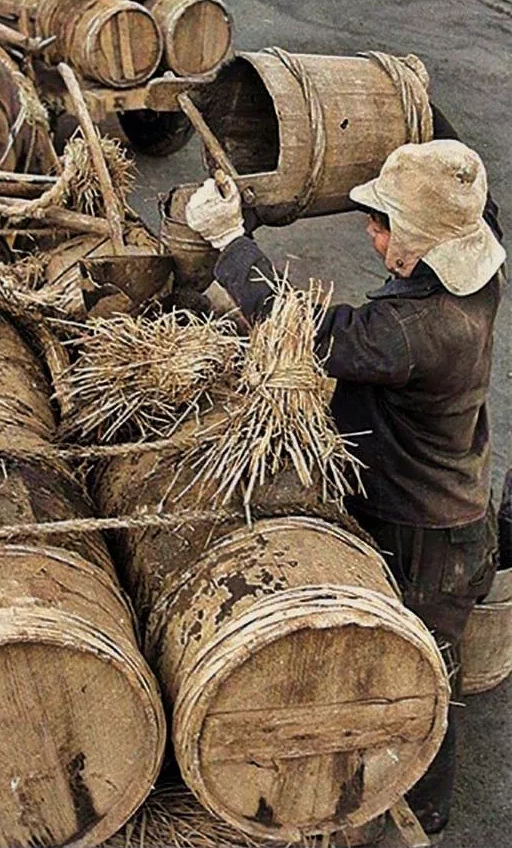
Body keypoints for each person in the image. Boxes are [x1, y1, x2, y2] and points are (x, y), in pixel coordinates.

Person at [184, 139, 505, 835]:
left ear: (417, 248)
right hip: (446, 500)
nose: (369, 229)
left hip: (427, 536)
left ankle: (423, 809)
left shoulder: (413, 333)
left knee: (424, 676)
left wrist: (231, 241)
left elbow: (306, 331)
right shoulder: (478, 269)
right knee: (419, 662)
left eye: (384, 223)